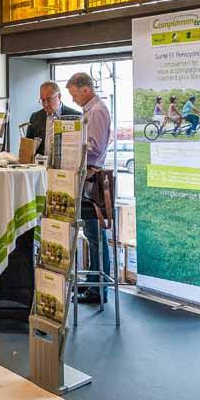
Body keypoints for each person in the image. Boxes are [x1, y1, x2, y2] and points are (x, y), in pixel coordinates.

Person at [66, 72, 111, 304]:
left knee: (96, 236)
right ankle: (93, 281)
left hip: (93, 178)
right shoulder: (89, 111)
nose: (73, 100)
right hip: (85, 177)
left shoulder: (98, 111)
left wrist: (72, 145)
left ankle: (98, 290)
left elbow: (96, 146)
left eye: (74, 94)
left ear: (85, 89)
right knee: (92, 234)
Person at [25, 81, 81, 156]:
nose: (46, 104)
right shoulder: (35, 117)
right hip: (39, 165)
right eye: (43, 100)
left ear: (59, 97)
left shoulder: (75, 117)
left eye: (49, 100)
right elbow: (28, 148)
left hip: (65, 165)